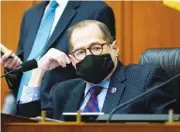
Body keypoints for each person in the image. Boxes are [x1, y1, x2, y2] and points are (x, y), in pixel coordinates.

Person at [17, 20, 180, 119]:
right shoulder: (62, 93)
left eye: (95, 48)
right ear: (72, 59)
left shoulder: (145, 80)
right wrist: (38, 72)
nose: (89, 56)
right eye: (80, 52)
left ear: (114, 48)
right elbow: (28, 126)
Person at [0, 0, 115, 116]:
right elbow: (24, 66)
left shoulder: (95, 9)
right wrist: (13, 67)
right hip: (22, 105)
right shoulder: (30, 14)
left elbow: (104, 64)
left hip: (62, 111)